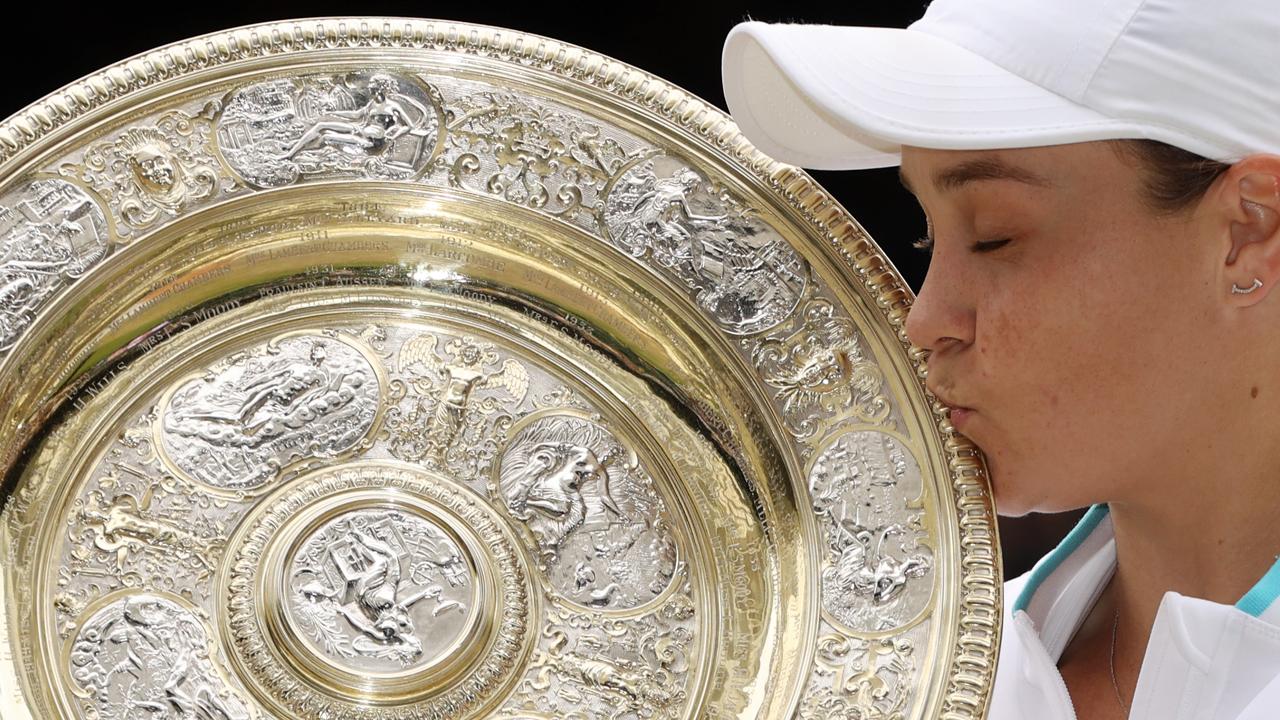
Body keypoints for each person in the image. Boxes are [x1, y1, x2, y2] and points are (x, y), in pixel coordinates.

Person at [721, 2, 1280, 719]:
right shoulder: (883, 681)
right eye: (929, 237)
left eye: (993, 237)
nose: (924, 321)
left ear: (1248, 232)